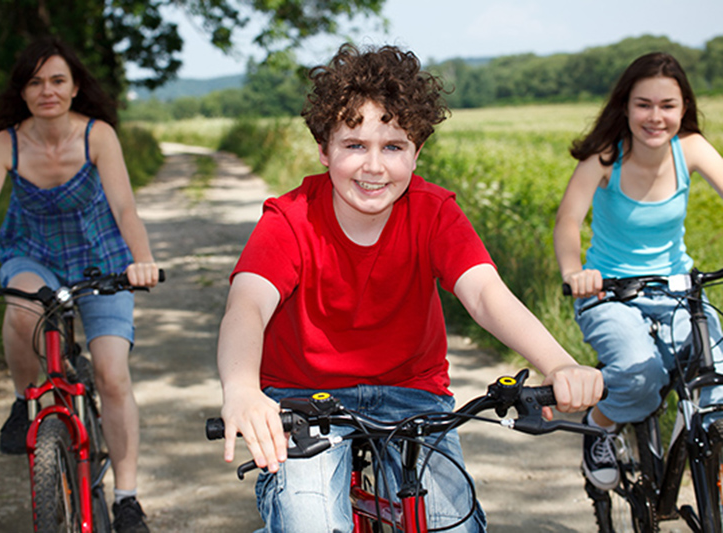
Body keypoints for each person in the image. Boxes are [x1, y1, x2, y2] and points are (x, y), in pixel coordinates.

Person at [216, 43, 604, 532]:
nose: (374, 166)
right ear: (323, 149)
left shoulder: (434, 211)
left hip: (413, 394)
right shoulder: (290, 218)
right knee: (307, 521)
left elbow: (485, 294)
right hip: (304, 398)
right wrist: (243, 390)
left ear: (417, 153)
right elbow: (247, 305)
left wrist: (559, 362)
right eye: (354, 145)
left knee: (452, 525)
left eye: (393, 146)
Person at [0, 37, 158, 533]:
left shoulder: (98, 136)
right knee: (23, 310)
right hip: (32, 255)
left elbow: (124, 209)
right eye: (35, 82)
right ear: (23, 92)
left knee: (112, 373)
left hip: (102, 260)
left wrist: (143, 261)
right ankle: (22, 400)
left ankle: (126, 499)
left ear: (75, 87)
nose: (47, 90)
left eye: (57, 80)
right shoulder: (6, 144)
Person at [554, 52, 723, 491]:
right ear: (625, 107)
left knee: (718, 372)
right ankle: (599, 424)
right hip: (610, 293)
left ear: (683, 107)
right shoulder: (605, 158)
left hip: (678, 290)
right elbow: (568, 221)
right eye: (643, 104)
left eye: (667, 105)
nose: (655, 117)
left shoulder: (692, 150)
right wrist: (576, 273)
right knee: (639, 375)